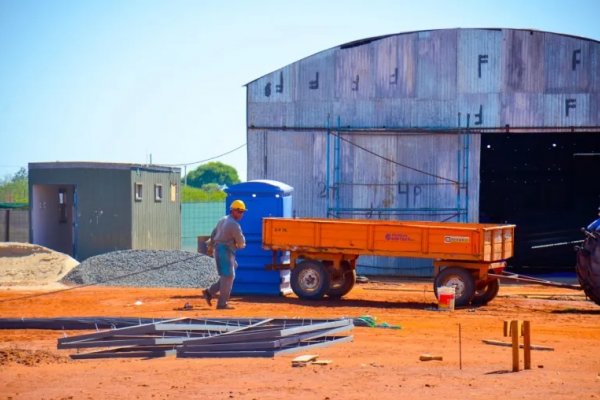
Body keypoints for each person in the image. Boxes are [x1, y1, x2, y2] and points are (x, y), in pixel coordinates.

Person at [203, 199, 247, 310]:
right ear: (233, 211)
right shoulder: (234, 225)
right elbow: (241, 242)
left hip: (219, 249)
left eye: (243, 212)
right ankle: (222, 303)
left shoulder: (223, 219)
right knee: (229, 276)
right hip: (225, 251)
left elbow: (214, 233)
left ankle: (209, 292)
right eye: (240, 211)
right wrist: (240, 245)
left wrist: (211, 245)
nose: (242, 214)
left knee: (231, 270)